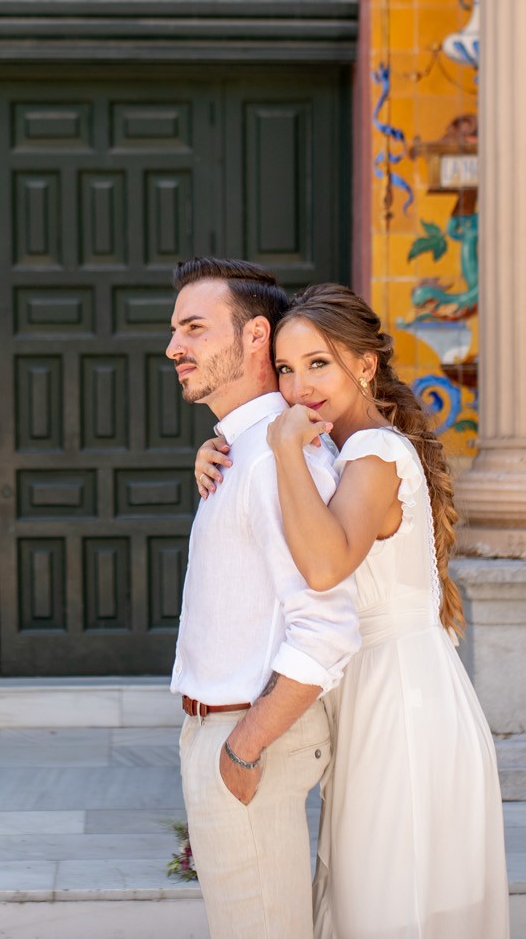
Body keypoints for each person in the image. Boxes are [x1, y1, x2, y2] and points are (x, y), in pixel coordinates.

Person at [195, 282, 509, 939]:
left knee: (395, 902)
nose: (300, 384)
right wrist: (230, 449)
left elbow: (323, 564)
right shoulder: (341, 450)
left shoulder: (374, 453)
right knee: (365, 898)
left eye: (319, 363)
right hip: (370, 697)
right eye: (285, 368)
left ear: (364, 365)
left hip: (402, 704)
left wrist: (279, 447)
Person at [164, 256, 360, 939]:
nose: (173, 347)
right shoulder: (243, 450)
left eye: (194, 327)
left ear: (254, 339)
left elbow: (329, 624)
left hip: (255, 732)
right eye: (174, 329)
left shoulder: (284, 455)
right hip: (222, 725)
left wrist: (244, 745)